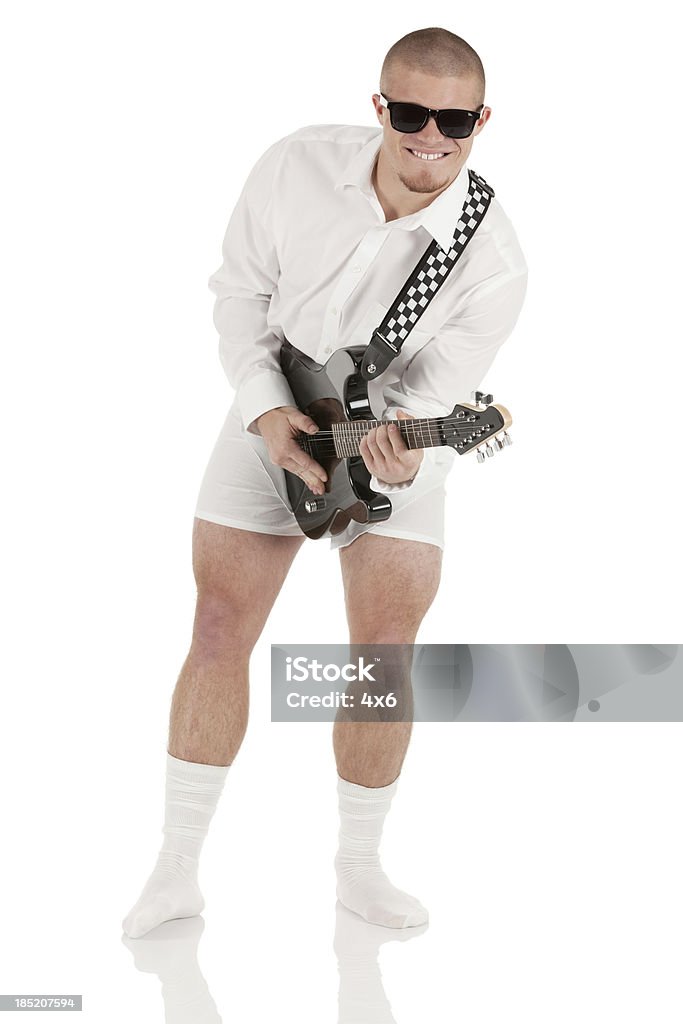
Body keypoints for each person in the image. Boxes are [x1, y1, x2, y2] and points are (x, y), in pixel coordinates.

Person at [122, 26, 528, 939]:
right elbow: (237, 294)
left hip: (387, 427)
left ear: (480, 120)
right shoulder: (294, 166)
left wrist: (413, 447)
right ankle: (175, 870)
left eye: (455, 118)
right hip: (272, 406)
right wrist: (266, 411)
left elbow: (434, 400)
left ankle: (359, 869)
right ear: (380, 107)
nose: (433, 136)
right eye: (413, 113)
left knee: (385, 649)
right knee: (220, 625)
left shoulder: (492, 262)